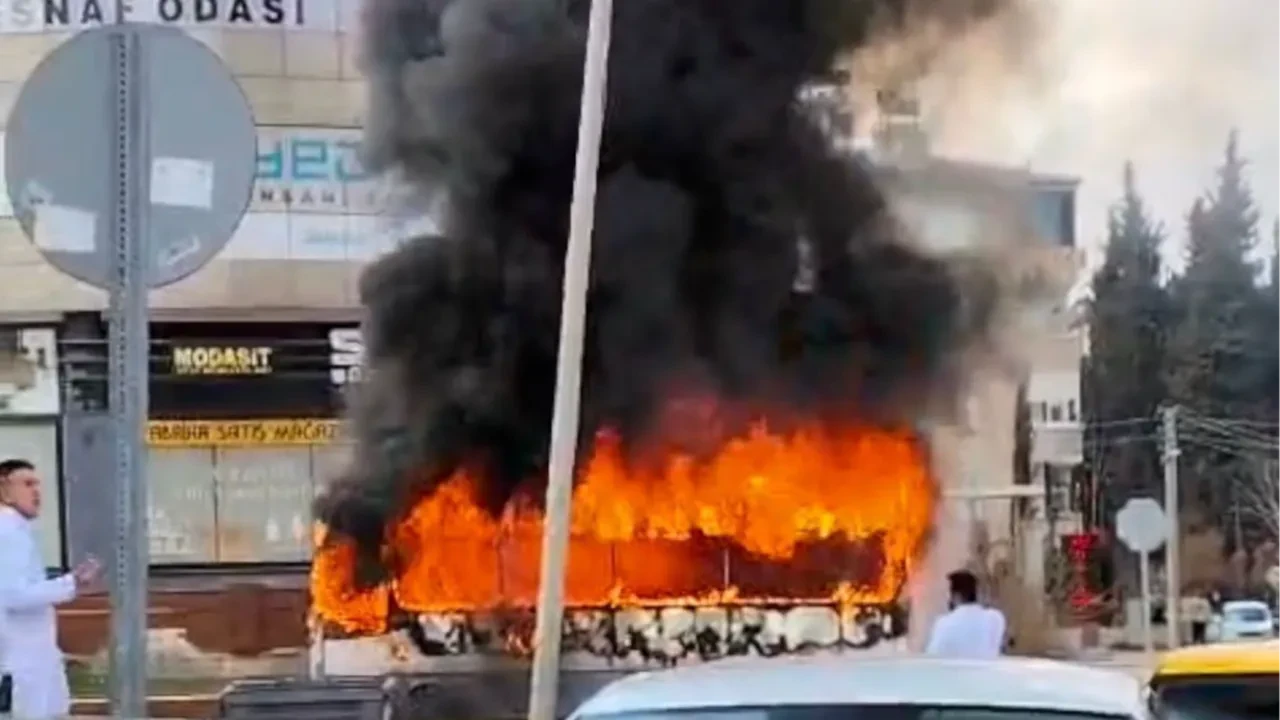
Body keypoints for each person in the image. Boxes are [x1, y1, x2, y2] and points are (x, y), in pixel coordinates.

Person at [0, 458, 100, 718]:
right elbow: (14, 595)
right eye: (27, 484)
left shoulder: (18, 531)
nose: (36, 492)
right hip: (20, 665)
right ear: (4, 491)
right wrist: (71, 583)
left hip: (31, 660)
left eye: (38, 484)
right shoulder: (6, 531)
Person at [925, 569, 1006, 659]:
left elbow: (932, 657)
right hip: (988, 673)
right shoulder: (995, 618)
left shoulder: (943, 624)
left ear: (956, 596)